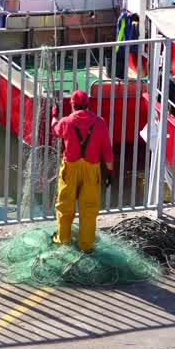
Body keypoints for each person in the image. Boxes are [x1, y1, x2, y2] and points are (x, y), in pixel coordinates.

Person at [52, 90, 114, 251]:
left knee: (65, 206)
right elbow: (107, 151)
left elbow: (55, 130)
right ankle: (85, 246)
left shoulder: (65, 121)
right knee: (89, 208)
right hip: (91, 169)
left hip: (70, 168)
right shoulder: (100, 122)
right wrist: (109, 173)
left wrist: (54, 114)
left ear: (72, 105)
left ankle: (63, 241)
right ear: (87, 104)